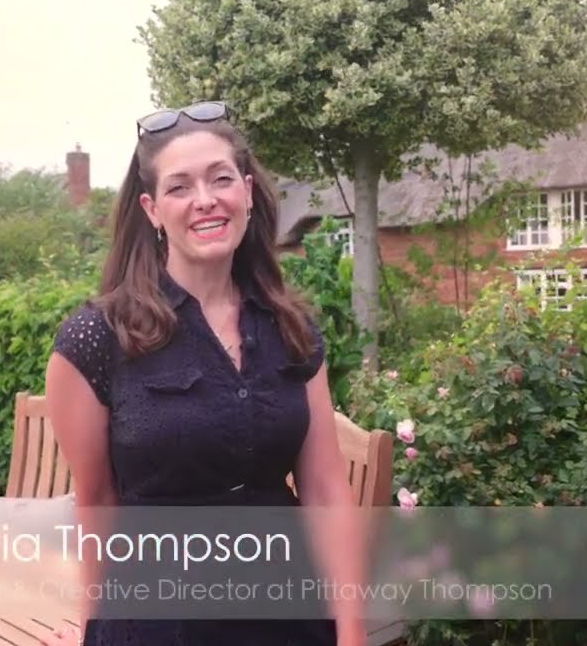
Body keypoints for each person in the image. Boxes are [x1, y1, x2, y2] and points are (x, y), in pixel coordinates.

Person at [38, 101, 366, 646]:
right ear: (152, 209)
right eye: (180, 186)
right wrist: (91, 627)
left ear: (247, 192)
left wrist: (351, 632)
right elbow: (97, 504)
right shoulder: (97, 339)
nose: (205, 200)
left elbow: (326, 491)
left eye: (221, 179)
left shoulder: (293, 329)